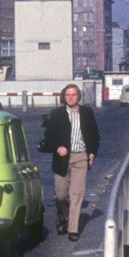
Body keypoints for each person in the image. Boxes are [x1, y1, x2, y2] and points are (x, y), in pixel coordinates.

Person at [43, 83, 100, 242]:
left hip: (81, 156)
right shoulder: (56, 114)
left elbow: (95, 135)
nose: (70, 97)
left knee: (76, 193)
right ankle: (62, 215)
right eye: (67, 95)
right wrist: (57, 147)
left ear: (78, 96)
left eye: (73, 95)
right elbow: (48, 136)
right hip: (62, 159)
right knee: (61, 195)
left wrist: (92, 153)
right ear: (64, 97)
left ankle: (73, 229)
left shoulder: (87, 113)